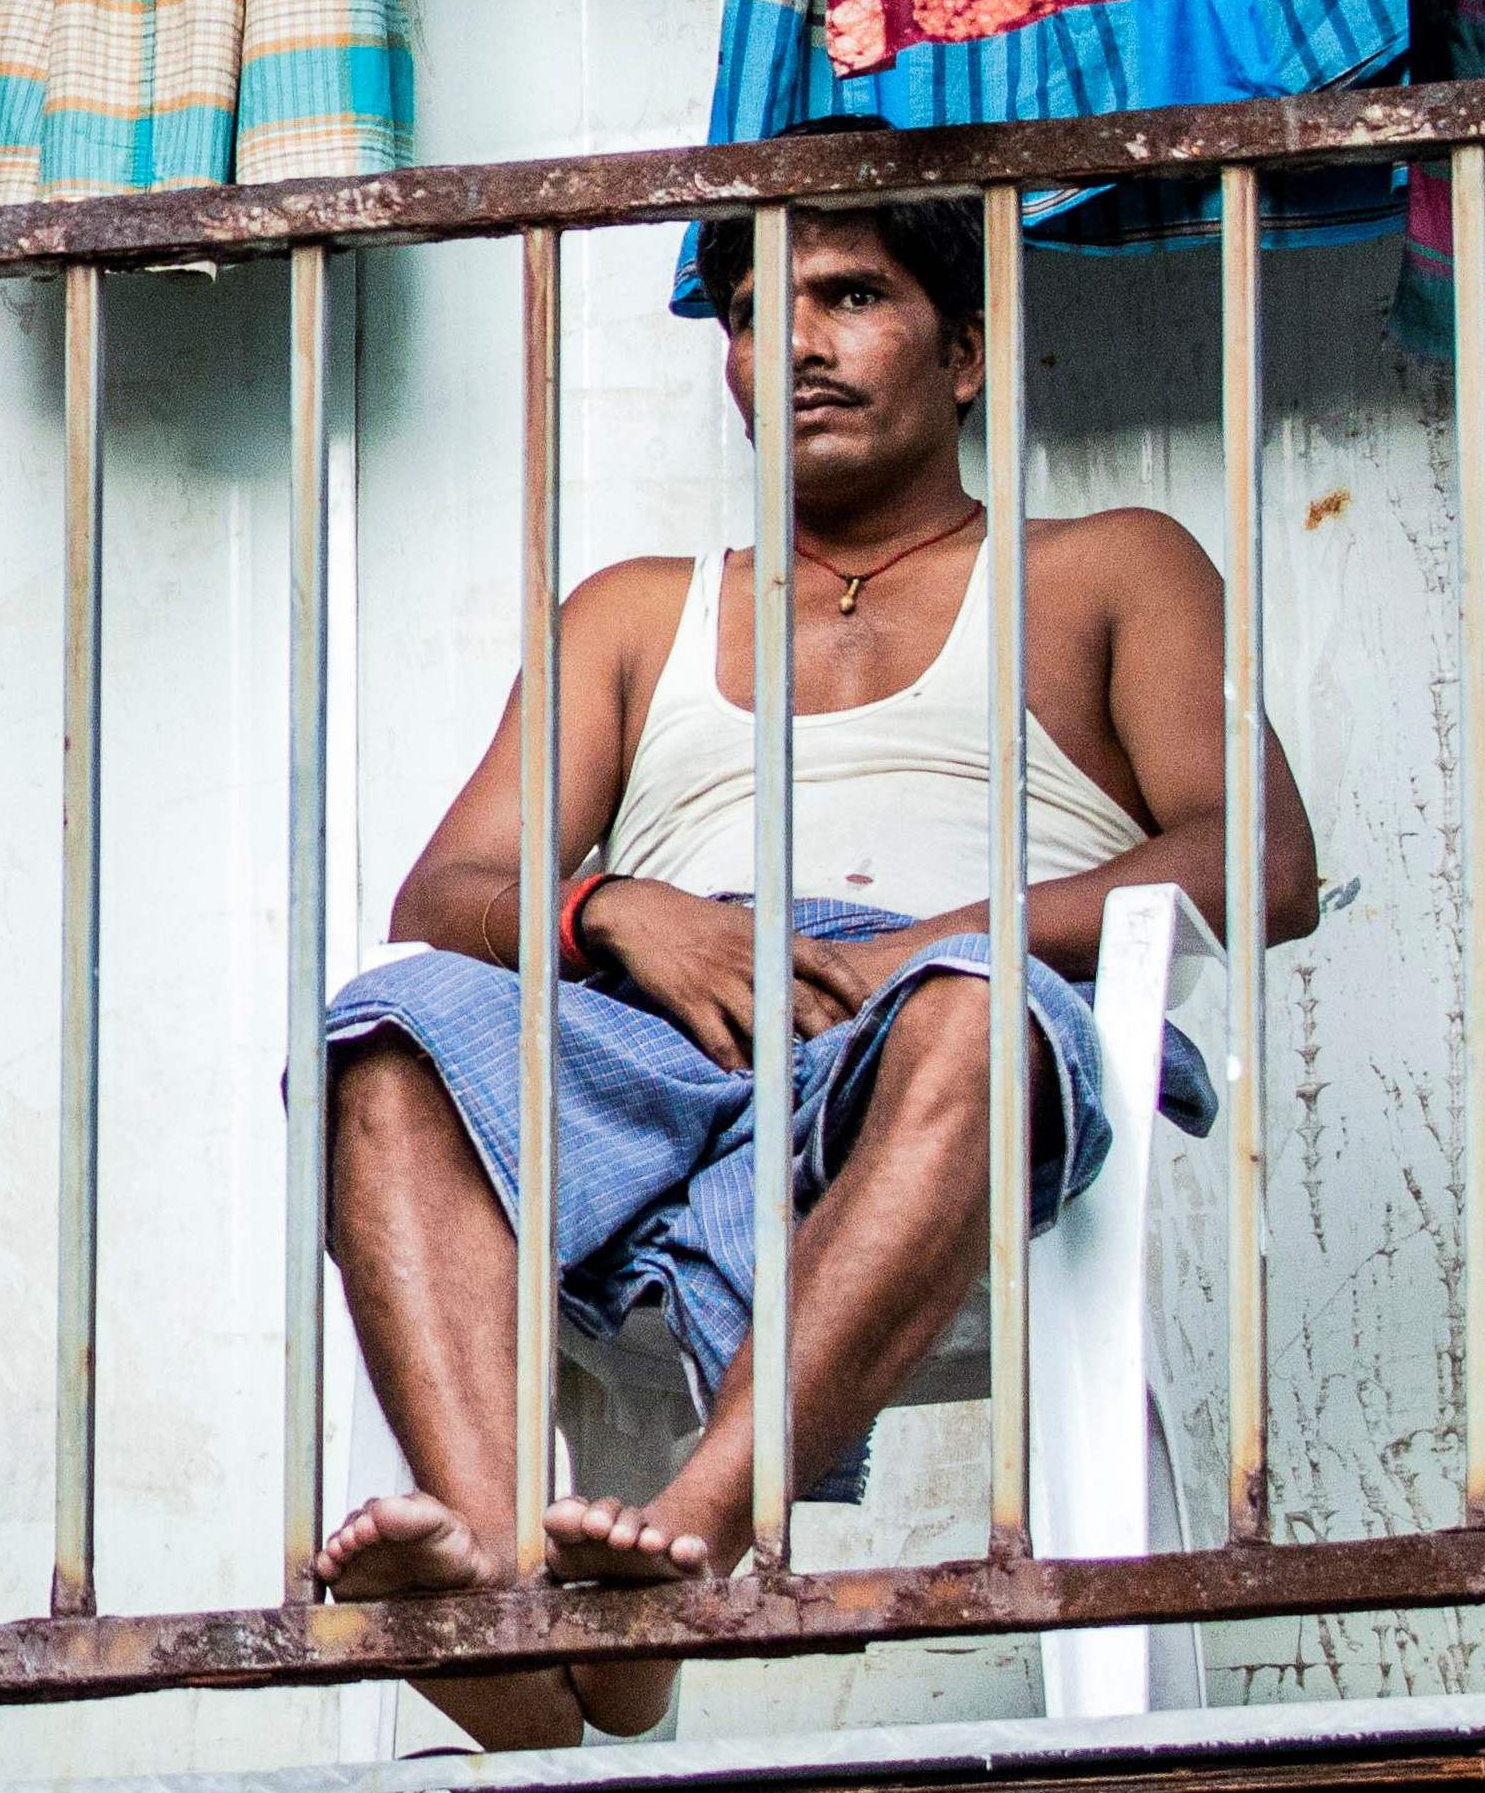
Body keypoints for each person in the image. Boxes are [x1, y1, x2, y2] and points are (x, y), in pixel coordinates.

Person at [315, 202, 1319, 1746]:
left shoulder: (1107, 568)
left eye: (849, 295)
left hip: (939, 1032)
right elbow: (443, 892)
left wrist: (935, 946)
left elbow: (1256, 862)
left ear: (966, 352)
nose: (789, 342)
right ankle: (509, 1607)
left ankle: (695, 1550)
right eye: (745, 310)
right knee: (386, 1038)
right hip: (657, 1035)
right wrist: (616, 914)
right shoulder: (640, 611)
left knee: (974, 1015)